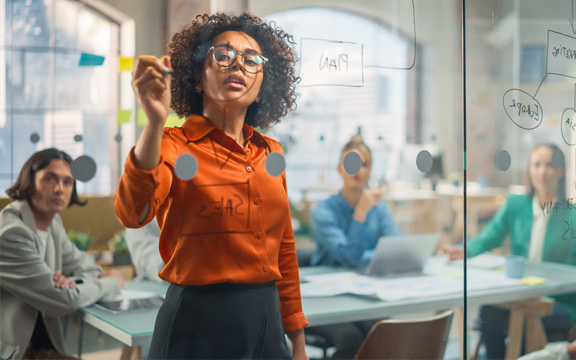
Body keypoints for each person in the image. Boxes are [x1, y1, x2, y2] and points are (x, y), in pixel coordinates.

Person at [114, 13, 308, 359]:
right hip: (196, 324)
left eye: (251, 60)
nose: (238, 65)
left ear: (263, 82)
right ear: (198, 79)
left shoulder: (271, 152)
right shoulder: (173, 144)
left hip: (266, 320)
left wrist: (296, 339)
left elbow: (285, 251)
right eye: (223, 55)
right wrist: (154, 123)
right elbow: (133, 212)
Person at [444, 143, 575, 359]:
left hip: (556, 301)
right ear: (529, 170)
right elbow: (490, 235)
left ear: (561, 170)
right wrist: (462, 250)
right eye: (537, 165)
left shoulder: (571, 215)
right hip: (518, 294)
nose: (542, 172)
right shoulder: (516, 204)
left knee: (523, 321)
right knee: (488, 313)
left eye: (550, 165)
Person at [0, 148, 124, 360]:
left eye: (67, 182)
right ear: (29, 182)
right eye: (50, 179)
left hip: (40, 345)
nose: (59, 189)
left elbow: (86, 267)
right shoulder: (12, 233)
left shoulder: (52, 223)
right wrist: (111, 282)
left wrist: (71, 282)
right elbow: (63, 300)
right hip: (14, 351)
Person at [307, 135, 401, 359]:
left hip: (364, 294)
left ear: (370, 171)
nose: (357, 169)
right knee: (351, 341)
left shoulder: (378, 208)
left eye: (364, 164)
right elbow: (347, 258)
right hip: (326, 300)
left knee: (385, 335)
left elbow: (396, 251)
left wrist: (367, 258)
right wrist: (360, 214)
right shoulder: (323, 212)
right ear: (339, 169)